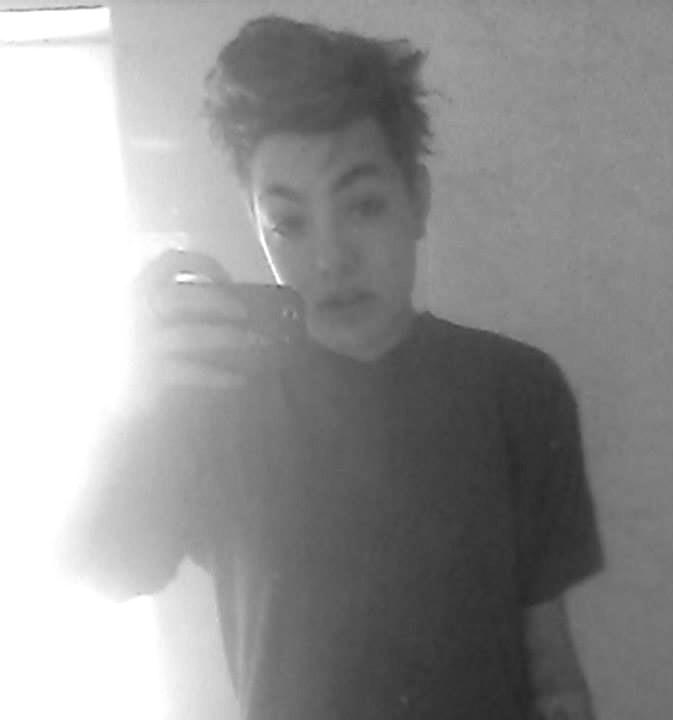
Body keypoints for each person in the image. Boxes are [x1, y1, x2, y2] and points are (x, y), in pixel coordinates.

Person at [60, 15, 604, 720]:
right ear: (255, 223)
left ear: (417, 201)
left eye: (364, 206)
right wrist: (131, 407)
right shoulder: (215, 401)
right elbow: (100, 571)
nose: (330, 258)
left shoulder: (518, 391)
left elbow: (551, 664)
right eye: (289, 222)